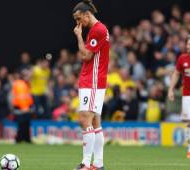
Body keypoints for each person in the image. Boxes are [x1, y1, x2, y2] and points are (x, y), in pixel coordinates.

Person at [73, 0, 110, 169]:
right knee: (95, 122)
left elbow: (86, 56)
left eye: (80, 18)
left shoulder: (97, 30)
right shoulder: (96, 29)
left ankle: (86, 164)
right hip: (92, 80)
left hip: (93, 81)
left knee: (84, 118)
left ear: (87, 14)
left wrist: (79, 36)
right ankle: (98, 164)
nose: (79, 23)